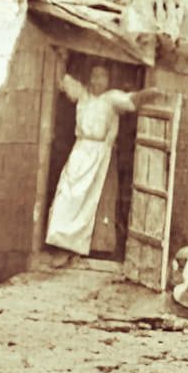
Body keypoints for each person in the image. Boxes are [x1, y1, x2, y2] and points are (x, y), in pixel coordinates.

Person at [46, 63, 142, 257]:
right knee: (67, 194)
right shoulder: (82, 95)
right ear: (89, 78)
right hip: (80, 151)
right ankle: (61, 241)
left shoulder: (112, 98)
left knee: (95, 200)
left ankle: (94, 248)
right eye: (94, 76)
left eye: (102, 76)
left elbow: (132, 101)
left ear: (108, 81)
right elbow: (61, 79)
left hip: (101, 153)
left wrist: (154, 92)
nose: (98, 80)